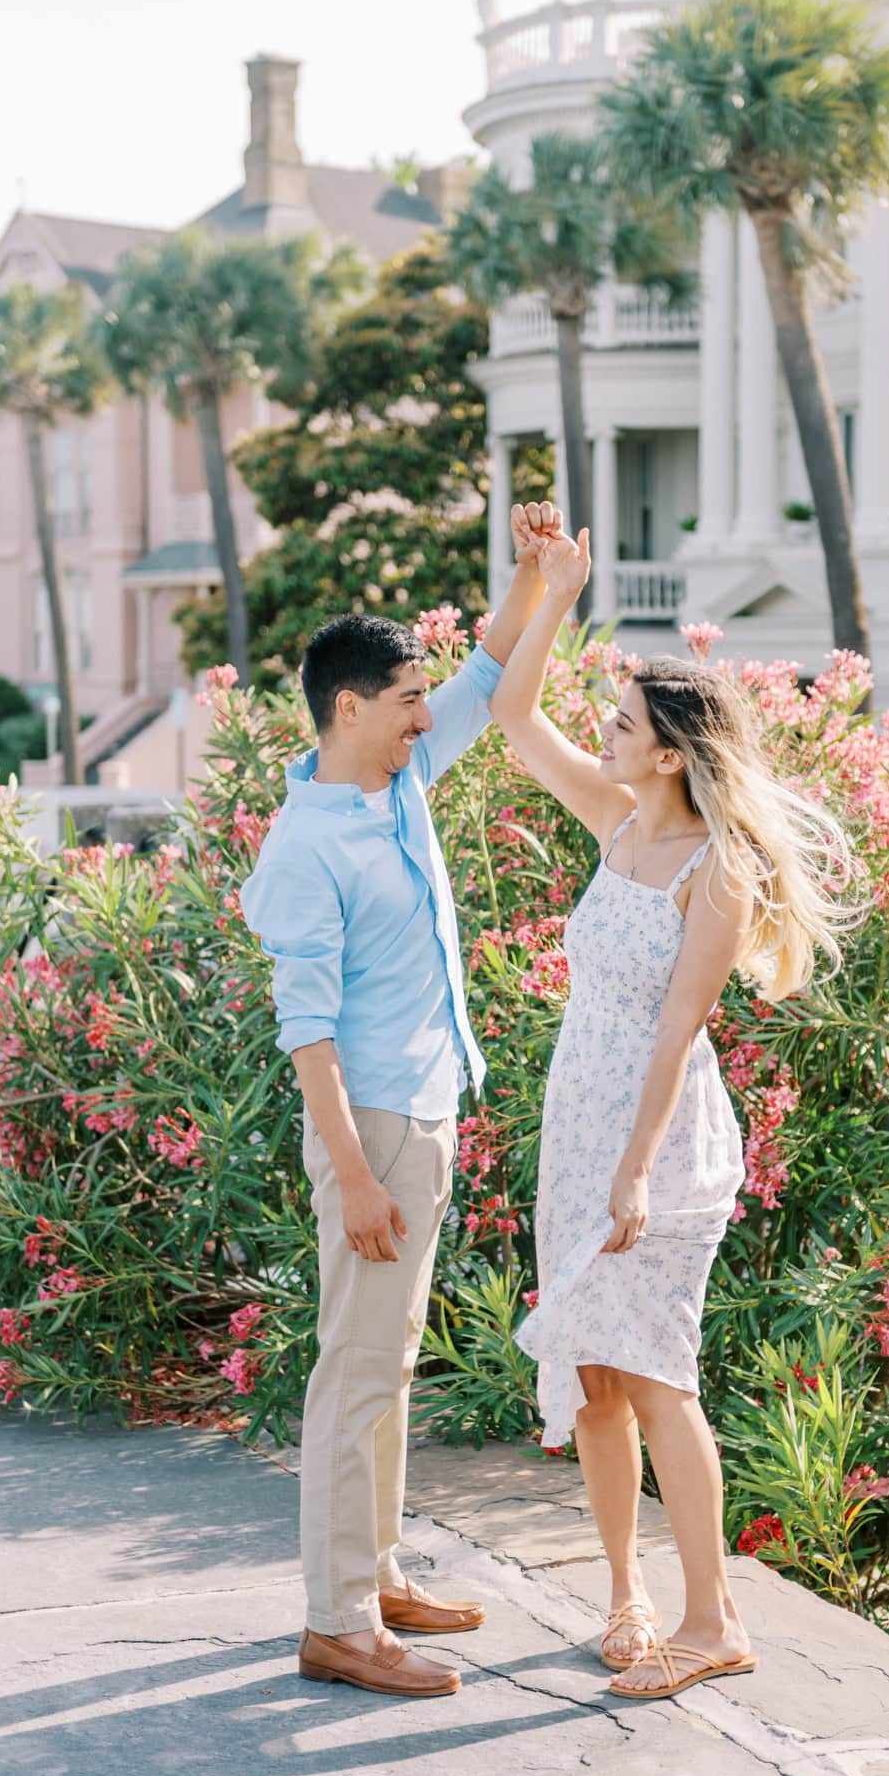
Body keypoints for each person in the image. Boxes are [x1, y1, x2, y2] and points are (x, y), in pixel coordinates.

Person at [492, 509, 860, 1702]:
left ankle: (713, 1618)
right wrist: (552, 590)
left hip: (660, 1146)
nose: (601, 734)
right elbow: (511, 717)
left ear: (666, 753)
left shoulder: (718, 869)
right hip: (578, 1128)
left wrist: (637, 1169)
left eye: (621, 724)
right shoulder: (615, 828)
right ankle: (625, 1595)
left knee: (656, 1373)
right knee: (597, 1377)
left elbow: (677, 1027)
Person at [240, 507, 562, 1700]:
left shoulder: (397, 781)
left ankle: (374, 1576)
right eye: (406, 698)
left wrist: (533, 577)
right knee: (355, 1370)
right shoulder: (307, 847)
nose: (428, 713)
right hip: (369, 1126)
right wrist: (361, 1173)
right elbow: (306, 1035)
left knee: (391, 1359)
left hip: (422, 1109)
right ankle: (337, 1621)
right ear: (348, 709)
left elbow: (486, 674)